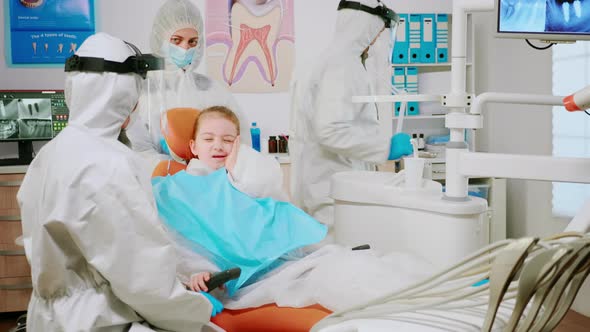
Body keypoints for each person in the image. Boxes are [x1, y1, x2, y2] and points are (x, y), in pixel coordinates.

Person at [17, 33, 222, 332]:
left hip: (49, 318)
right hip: (102, 320)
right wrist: (195, 310)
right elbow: (143, 279)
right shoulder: (110, 164)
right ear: (124, 93)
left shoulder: (48, 155)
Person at [152, 106, 326, 295]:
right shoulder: (174, 190)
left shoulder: (245, 180)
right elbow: (172, 241)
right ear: (194, 146)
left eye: (227, 140)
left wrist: (239, 169)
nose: (218, 146)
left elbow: (277, 216)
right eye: (208, 139)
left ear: (237, 144)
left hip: (273, 265)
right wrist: (193, 272)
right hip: (220, 276)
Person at [289, 0, 414, 234]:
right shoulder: (343, 65)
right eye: (378, 33)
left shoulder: (328, 59)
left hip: (322, 185)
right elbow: (330, 130)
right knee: (341, 259)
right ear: (366, 27)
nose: (378, 40)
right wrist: (386, 148)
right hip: (331, 190)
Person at [127, 0, 250, 170]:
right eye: (176, 40)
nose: (185, 48)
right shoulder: (143, 92)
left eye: (192, 42)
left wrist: (209, 172)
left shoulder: (212, 90)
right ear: (160, 39)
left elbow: (240, 142)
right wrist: (175, 170)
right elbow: (137, 150)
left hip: (211, 184)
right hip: (159, 185)